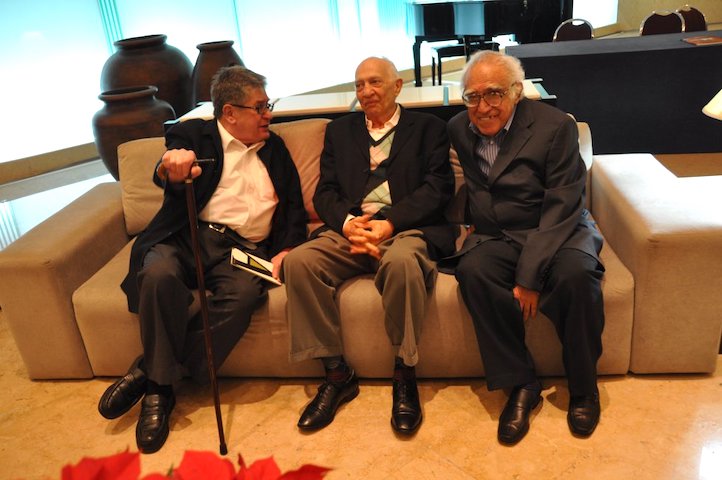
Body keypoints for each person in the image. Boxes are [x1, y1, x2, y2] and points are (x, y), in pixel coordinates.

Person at [98, 66, 307, 453]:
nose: (268, 115)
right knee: (157, 274)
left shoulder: (274, 148)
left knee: (245, 296)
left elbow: (294, 205)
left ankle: (152, 372)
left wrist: (285, 250)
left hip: (242, 249)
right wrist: (171, 166)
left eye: (269, 106)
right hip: (186, 235)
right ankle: (160, 393)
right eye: (260, 107)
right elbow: (169, 163)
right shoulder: (195, 135)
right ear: (230, 112)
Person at [281, 57, 455, 435]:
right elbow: (325, 191)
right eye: (359, 84)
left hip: (405, 229)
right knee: (299, 263)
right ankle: (336, 374)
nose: (366, 91)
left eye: (375, 82)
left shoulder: (429, 128)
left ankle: (404, 372)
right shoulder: (340, 132)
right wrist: (348, 224)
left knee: (403, 264)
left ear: (397, 86)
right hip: (351, 230)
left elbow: (438, 189)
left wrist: (389, 223)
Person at [446, 51, 605, 444]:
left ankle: (583, 387)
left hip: (557, 227)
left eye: (494, 93)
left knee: (576, 276)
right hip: (499, 234)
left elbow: (563, 202)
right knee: (473, 271)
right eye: (472, 96)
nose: (482, 107)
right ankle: (521, 384)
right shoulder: (458, 128)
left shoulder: (556, 127)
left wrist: (529, 277)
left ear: (516, 91)